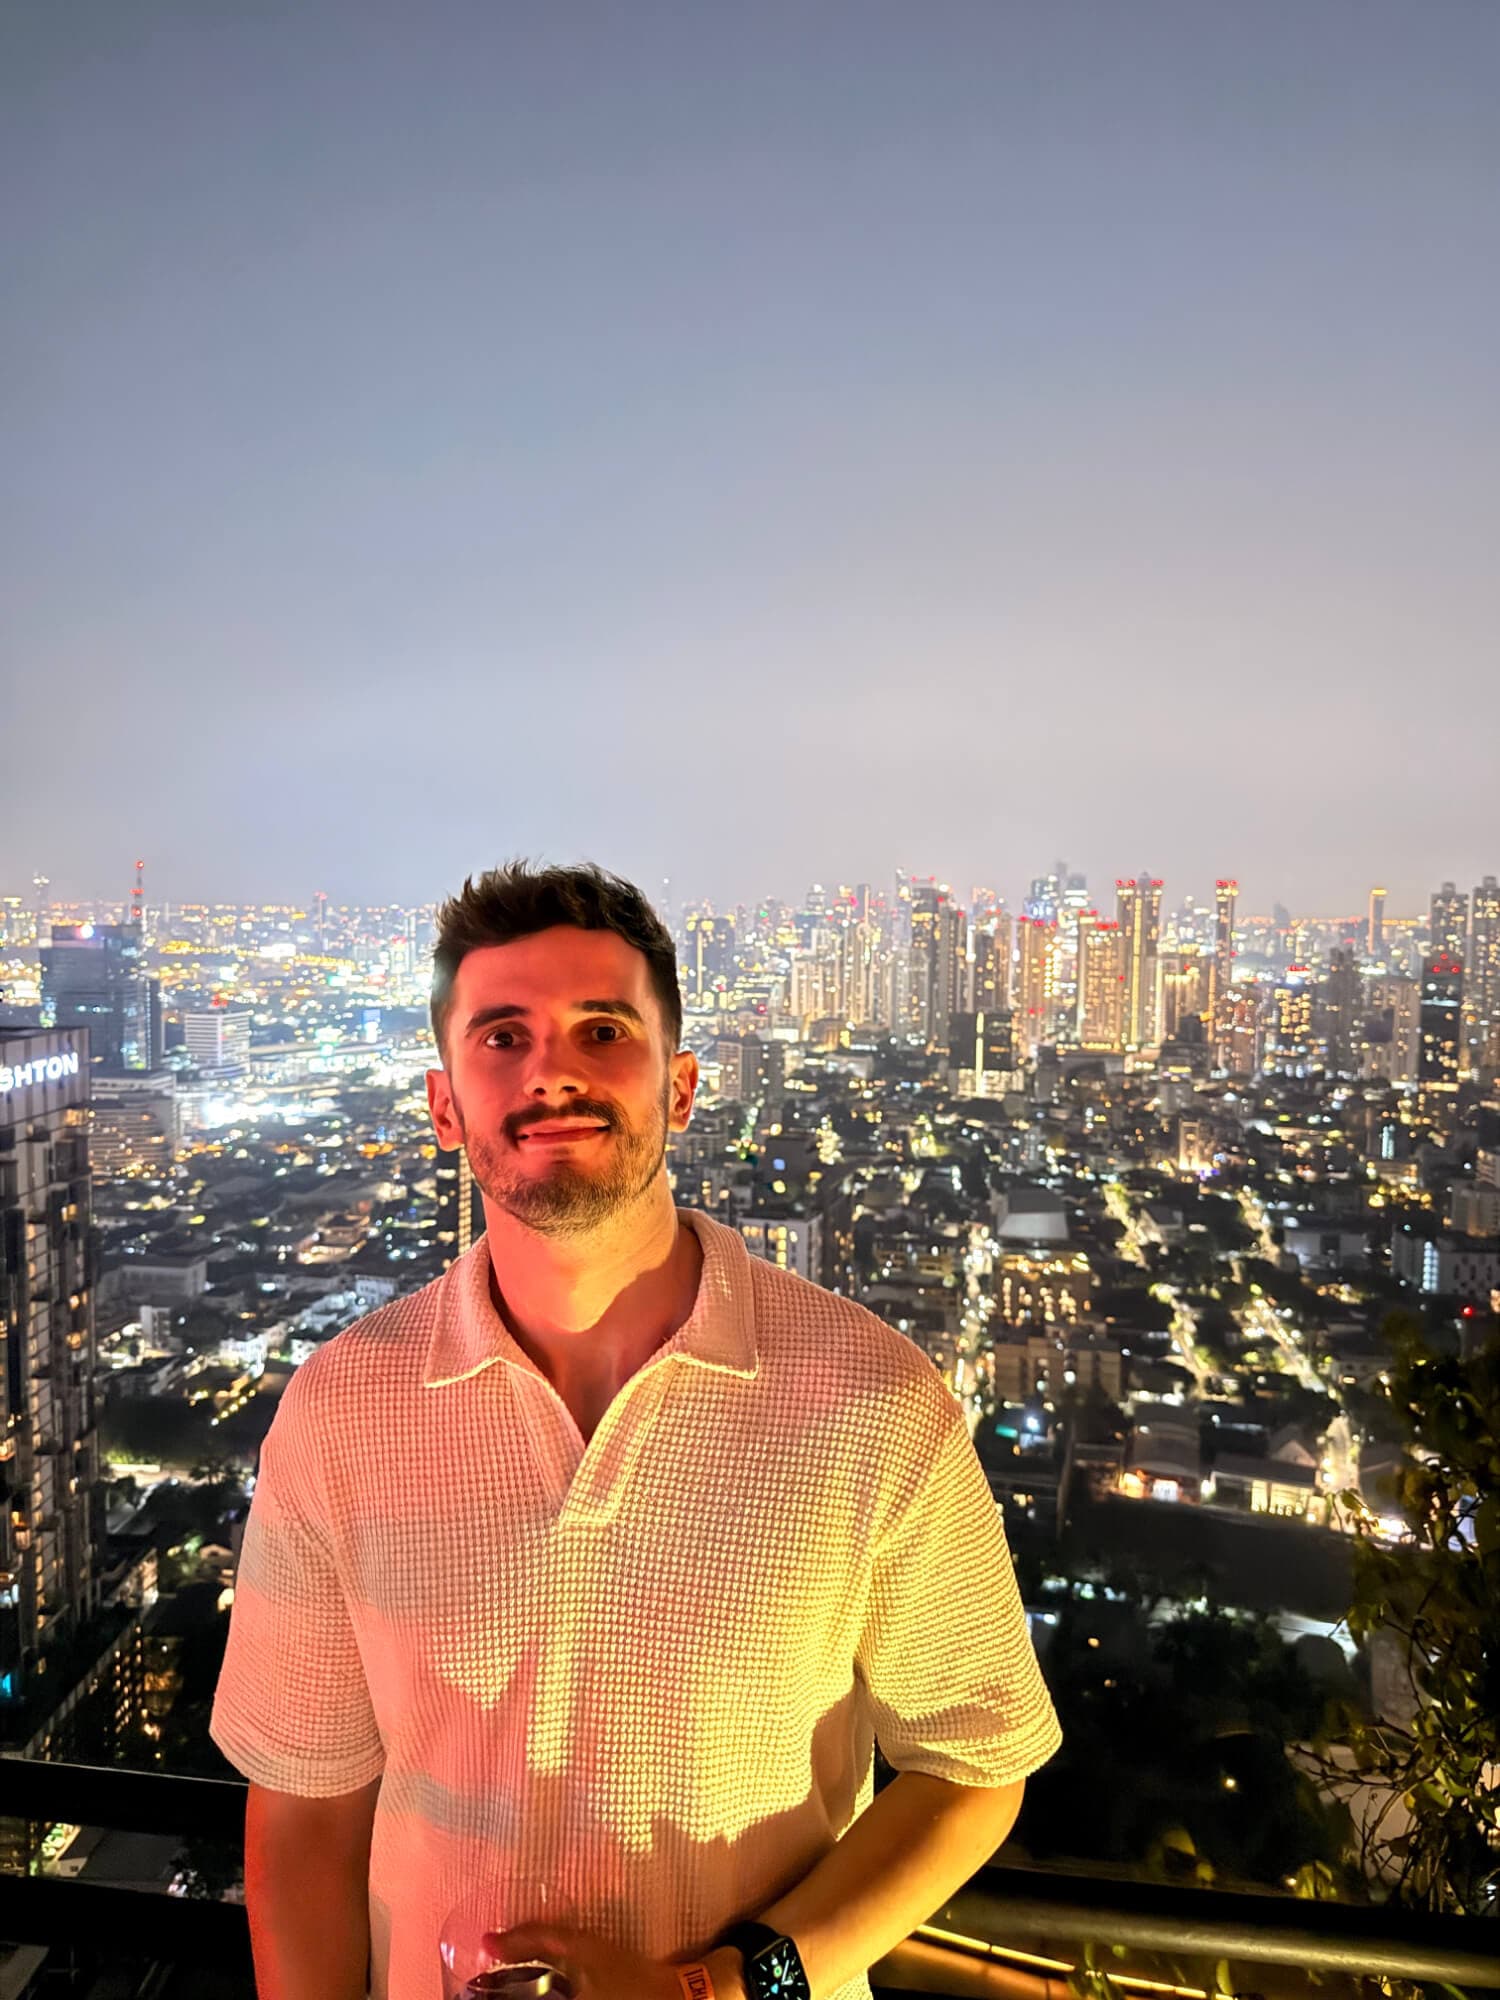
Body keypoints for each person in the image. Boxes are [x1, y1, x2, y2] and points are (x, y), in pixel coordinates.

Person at [210, 861, 1060, 2000]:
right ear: (443, 1101)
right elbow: (306, 1817)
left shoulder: (874, 1398)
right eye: (501, 1035)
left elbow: (973, 1767)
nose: (551, 1069)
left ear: (684, 1086)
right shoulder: (340, 1410)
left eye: (601, 1029)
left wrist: (723, 1985)